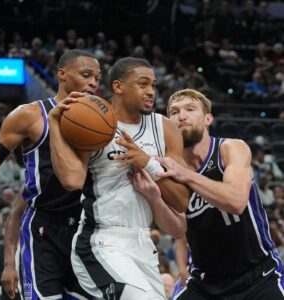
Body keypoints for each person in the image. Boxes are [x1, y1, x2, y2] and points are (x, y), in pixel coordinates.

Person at [48, 57, 190, 299]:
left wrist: (148, 163)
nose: (150, 92)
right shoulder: (90, 121)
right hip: (102, 240)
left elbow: (182, 200)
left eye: (154, 86)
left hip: (144, 242)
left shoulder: (165, 128)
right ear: (118, 87)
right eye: (143, 84)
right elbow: (72, 181)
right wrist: (53, 122)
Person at [0, 49, 101, 300]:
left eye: (97, 78)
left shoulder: (103, 120)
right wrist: (8, 262)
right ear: (62, 74)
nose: (93, 82)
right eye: (86, 74)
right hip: (42, 227)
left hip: (84, 229)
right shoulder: (30, 115)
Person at [155, 88, 284, 299]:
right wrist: (181, 268)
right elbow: (179, 230)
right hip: (205, 282)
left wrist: (186, 175)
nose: (182, 116)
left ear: (208, 118)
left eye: (190, 109)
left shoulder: (231, 148)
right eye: (174, 112)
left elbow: (236, 201)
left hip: (259, 276)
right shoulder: (170, 169)